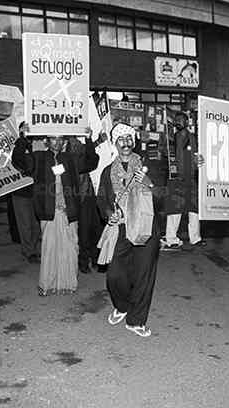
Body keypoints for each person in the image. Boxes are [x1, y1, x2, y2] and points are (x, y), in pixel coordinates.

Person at [12, 126, 98, 296]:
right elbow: (19, 161)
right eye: (53, 138)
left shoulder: (71, 159)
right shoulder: (38, 158)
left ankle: (68, 284)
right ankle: (47, 284)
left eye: (60, 139)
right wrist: (22, 138)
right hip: (48, 212)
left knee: (70, 248)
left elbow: (91, 162)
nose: (57, 142)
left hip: (69, 212)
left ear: (65, 141)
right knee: (50, 248)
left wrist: (88, 139)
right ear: (46, 141)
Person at [97, 123, 161, 337]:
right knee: (115, 275)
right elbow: (101, 199)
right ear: (115, 144)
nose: (126, 142)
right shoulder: (108, 171)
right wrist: (109, 213)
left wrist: (150, 183)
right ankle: (122, 306)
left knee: (144, 275)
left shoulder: (148, 165)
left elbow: (166, 195)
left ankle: (136, 320)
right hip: (121, 229)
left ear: (134, 142)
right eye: (121, 139)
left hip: (146, 227)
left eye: (129, 138)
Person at [161, 111, 206, 250]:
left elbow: (199, 155)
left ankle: (195, 238)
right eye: (177, 120)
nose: (179, 122)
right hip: (175, 178)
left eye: (182, 120)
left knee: (194, 209)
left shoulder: (193, 138)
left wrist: (200, 162)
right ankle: (171, 238)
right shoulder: (170, 138)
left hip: (191, 178)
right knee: (175, 209)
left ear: (187, 122)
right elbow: (162, 153)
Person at [67, 136, 103, 274]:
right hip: (79, 196)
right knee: (84, 231)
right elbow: (91, 161)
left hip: (87, 192)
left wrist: (91, 140)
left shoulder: (76, 149)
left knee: (93, 228)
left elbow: (91, 159)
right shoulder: (66, 156)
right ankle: (85, 261)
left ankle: (94, 259)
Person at [10, 123, 41, 264]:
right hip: (21, 191)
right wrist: (22, 137)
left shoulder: (37, 144)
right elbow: (18, 159)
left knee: (35, 224)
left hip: (36, 191)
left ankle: (33, 248)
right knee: (25, 224)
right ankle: (29, 251)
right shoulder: (18, 145)